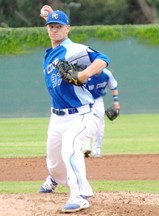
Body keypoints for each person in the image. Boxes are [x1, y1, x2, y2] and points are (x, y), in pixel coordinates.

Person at [38, 5, 111, 213]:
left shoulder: (73, 49)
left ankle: (78, 196)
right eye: (51, 26)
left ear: (67, 28)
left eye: (59, 26)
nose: (54, 30)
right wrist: (48, 15)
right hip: (57, 117)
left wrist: (84, 74)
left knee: (70, 146)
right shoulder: (51, 52)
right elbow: (49, 20)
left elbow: (103, 58)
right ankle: (65, 181)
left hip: (82, 114)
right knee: (53, 164)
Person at [82, 68, 120, 158]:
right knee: (86, 124)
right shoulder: (86, 73)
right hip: (84, 101)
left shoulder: (107, 74)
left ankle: (97, 151)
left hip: (98, 101)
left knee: (99, 127)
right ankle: (85, 147)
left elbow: (114, 86)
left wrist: (116, 102)